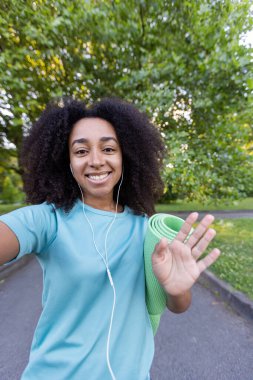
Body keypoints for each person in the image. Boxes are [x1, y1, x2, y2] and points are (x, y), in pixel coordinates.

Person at [0, 97, 220, 380]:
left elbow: (179, 305)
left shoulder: (146, 230)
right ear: (66, 161)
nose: (95, 160)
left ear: (124, 157)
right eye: (80, 151)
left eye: (108, 148)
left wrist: (177, 289)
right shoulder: (47, 220)